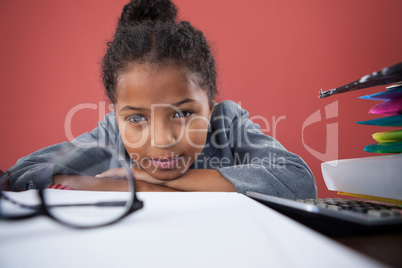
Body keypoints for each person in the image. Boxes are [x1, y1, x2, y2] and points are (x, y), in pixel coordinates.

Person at [6, 0, 316, 199]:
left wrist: (149, 183)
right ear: (116, 114)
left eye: (182, 114)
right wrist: (102, 184)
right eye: (137, 118)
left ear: (210, 104)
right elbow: (19, 176)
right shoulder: (111, 134)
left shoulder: (227, 122)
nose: (162, 140)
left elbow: (298, 180)